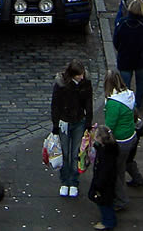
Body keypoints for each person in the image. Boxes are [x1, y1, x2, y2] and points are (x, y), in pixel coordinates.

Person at [50, 59, 93, 198]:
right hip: (64, 122)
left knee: (75, 154)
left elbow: (88, 103)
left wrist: (88, 122)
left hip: (78, 121)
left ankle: (73, 182)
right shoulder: (61, 85)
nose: (81, 77)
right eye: (78, 75)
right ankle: (65, 181)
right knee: (65, 153)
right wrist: (55, 125)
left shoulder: (85, 83)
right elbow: (55, 105)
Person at [103, 70, 143, 209]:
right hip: (130, 137)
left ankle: (121, 199)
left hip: (119, 142)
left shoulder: (113, 104)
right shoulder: (128, 95)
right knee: (124, 163)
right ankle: (137, 179)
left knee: (114, 171)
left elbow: (109, 127)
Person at [112, 0, 143, 111]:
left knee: (125, 86)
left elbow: (116, 41)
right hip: (142, 61)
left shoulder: (122, 23)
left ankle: (128, 106)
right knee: (141, 83)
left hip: (125, 60)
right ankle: (138, 103)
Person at [86, 124, 120, 230]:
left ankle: (108, 222)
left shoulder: (106, 155)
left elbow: (104, 172)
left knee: (104, 203)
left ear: (100, 138)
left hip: (104, 184)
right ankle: (110, 219)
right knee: (107, 202)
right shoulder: (111, 148)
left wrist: (97, 185)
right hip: (109, 182)